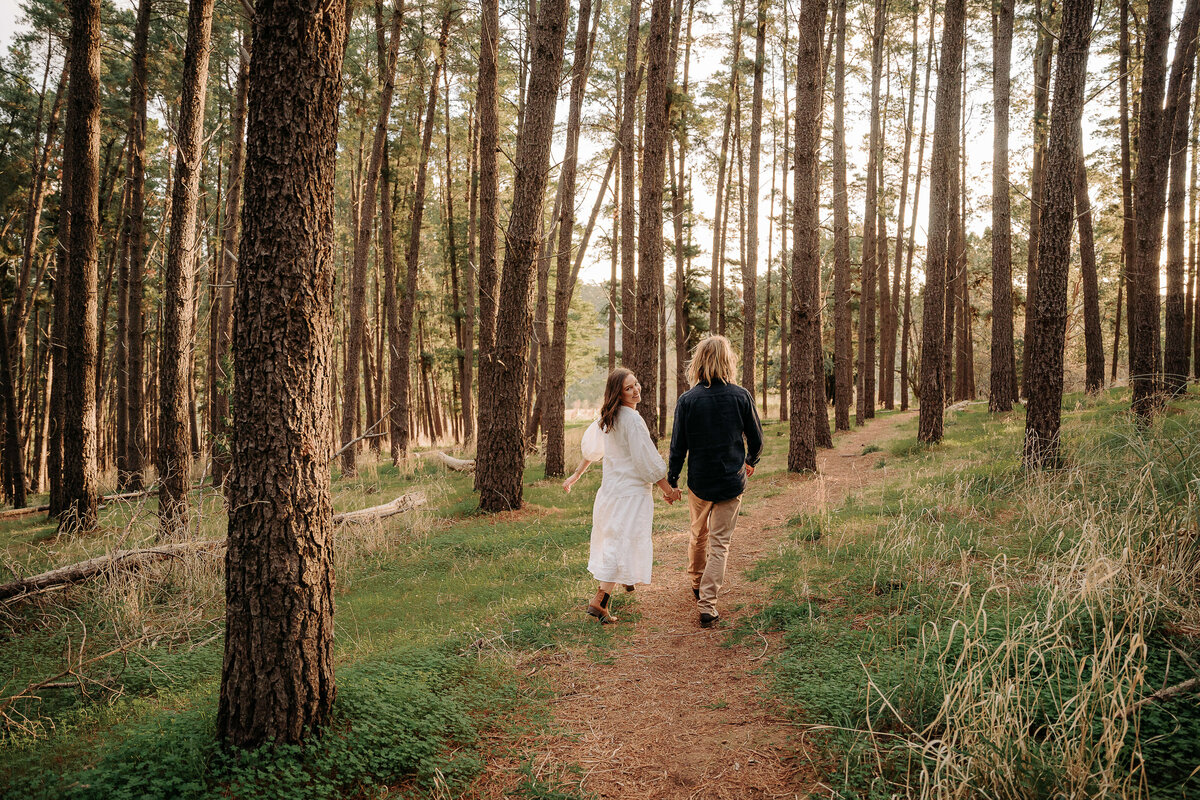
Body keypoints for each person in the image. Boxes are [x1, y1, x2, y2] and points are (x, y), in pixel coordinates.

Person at [563, 368, 682, 623]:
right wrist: (668, 490)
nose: (636, 390)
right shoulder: (631, 420)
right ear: (618, 393)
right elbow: (646, 461)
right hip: (629, 494)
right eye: (628, 388)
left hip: (611, 492)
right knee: (622, 542)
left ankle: (625, 582)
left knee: (616, 539)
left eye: (636, 384)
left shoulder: (608, 418)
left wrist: (577, 475)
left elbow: (591, 451)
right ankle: (601, 599)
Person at [668, 335, 764, 628]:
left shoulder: (687, 400)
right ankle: (707, 605)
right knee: (720, 543)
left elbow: (678, 446)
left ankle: (697, 583)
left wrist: (672, 479)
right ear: (728, 361)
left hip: (699, 482)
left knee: (698, 536)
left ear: (698, 362)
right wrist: (750, 462)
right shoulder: (741, 396)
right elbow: (757, 439)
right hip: (730, 482)